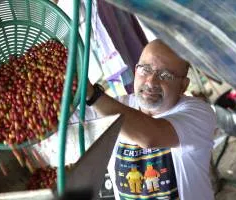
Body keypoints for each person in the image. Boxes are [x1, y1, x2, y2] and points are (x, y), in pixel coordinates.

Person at [86, 39, 216, 200]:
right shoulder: (116, 105)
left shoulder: (199, 113)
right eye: (145, 70)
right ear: (135, 71)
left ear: (183, 86)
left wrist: (93, 95)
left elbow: (150, 137)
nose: (151, 81)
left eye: (165, 75)